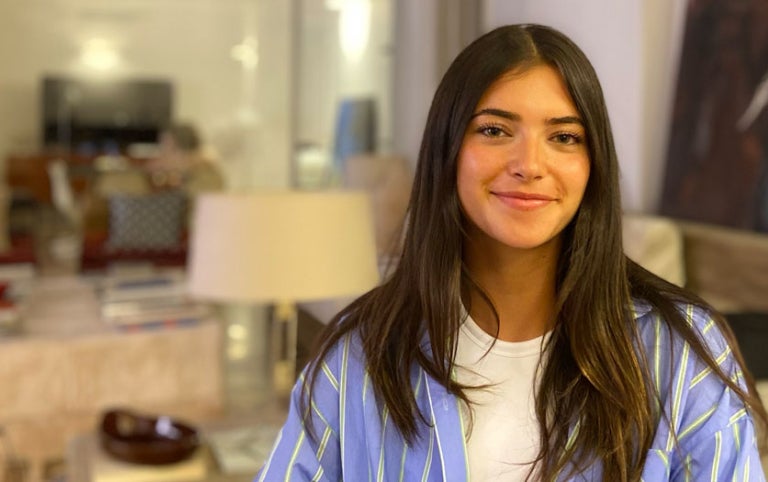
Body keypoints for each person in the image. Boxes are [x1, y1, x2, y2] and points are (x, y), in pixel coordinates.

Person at [256, 24, 767, 481]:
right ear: (448, 149)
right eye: (495, 130)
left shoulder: (678, 351)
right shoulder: (359, 357)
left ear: (593, 167)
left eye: (564, 136)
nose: (530, 164)